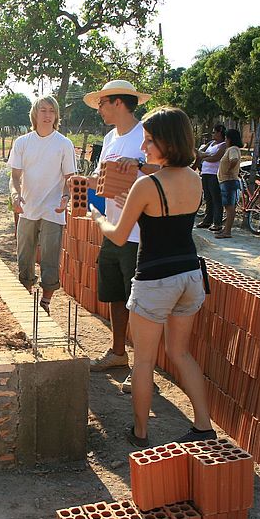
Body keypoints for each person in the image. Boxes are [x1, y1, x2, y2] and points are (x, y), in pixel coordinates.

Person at [89, 106, 215, 448]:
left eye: (148, 142)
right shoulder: (195, 179)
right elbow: (170, 217)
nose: (143, 149)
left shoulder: (147, 185)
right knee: (180, 353)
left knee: (144, 361)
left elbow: (117, 234)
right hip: (190, 276)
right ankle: (203, 425)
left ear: (167, 142)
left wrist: (97, 215)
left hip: (154, 279)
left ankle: (141, 433)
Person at [82, 80, 153, 389]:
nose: (99, 109)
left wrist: (138, 163)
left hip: (139, 232)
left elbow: (169, 167)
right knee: (113, 292)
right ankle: (118, 352)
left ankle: (141, 367)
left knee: (136, 300)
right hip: (114, 227)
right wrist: (87, 182)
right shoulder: (111, 137)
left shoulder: (145, 135)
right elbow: (102, 178)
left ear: (119, 103)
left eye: (102, 103)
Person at [8, 96, 75, 316]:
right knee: (24, 254)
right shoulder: (23, 142)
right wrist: (16, 195)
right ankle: (26, 293)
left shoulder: (64, 144)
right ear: (35, 114)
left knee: (50, 255)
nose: (47, 115)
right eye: (43, 110)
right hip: (27, 207)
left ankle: (46, 301)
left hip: (53, 209)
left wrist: (66, 197)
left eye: (51, 111)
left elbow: (69, 178)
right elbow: (15, 176)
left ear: (56, 116)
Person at [196, 125, 227, 231]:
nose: (213, 134)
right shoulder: (210, 143)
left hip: (215, 174)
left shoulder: (223, 145)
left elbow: (216, 157)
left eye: (214, 132)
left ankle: (217, 222)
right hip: (205, 173)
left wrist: (204, 157)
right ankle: (207, 220)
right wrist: (204, 156)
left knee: (216, 199)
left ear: (220, 133)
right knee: (208, 198)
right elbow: (199, 153)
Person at [215, 129, 243, 239]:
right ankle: (225, 229)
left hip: (229, 181)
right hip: (226, 181)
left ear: (230, 139)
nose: (225, 140)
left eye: (226, 138)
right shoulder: (231, 149)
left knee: (230, 207)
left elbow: (234, 160)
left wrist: (229, 170)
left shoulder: (233, 149)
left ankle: (227, 232)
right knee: (228, 206)